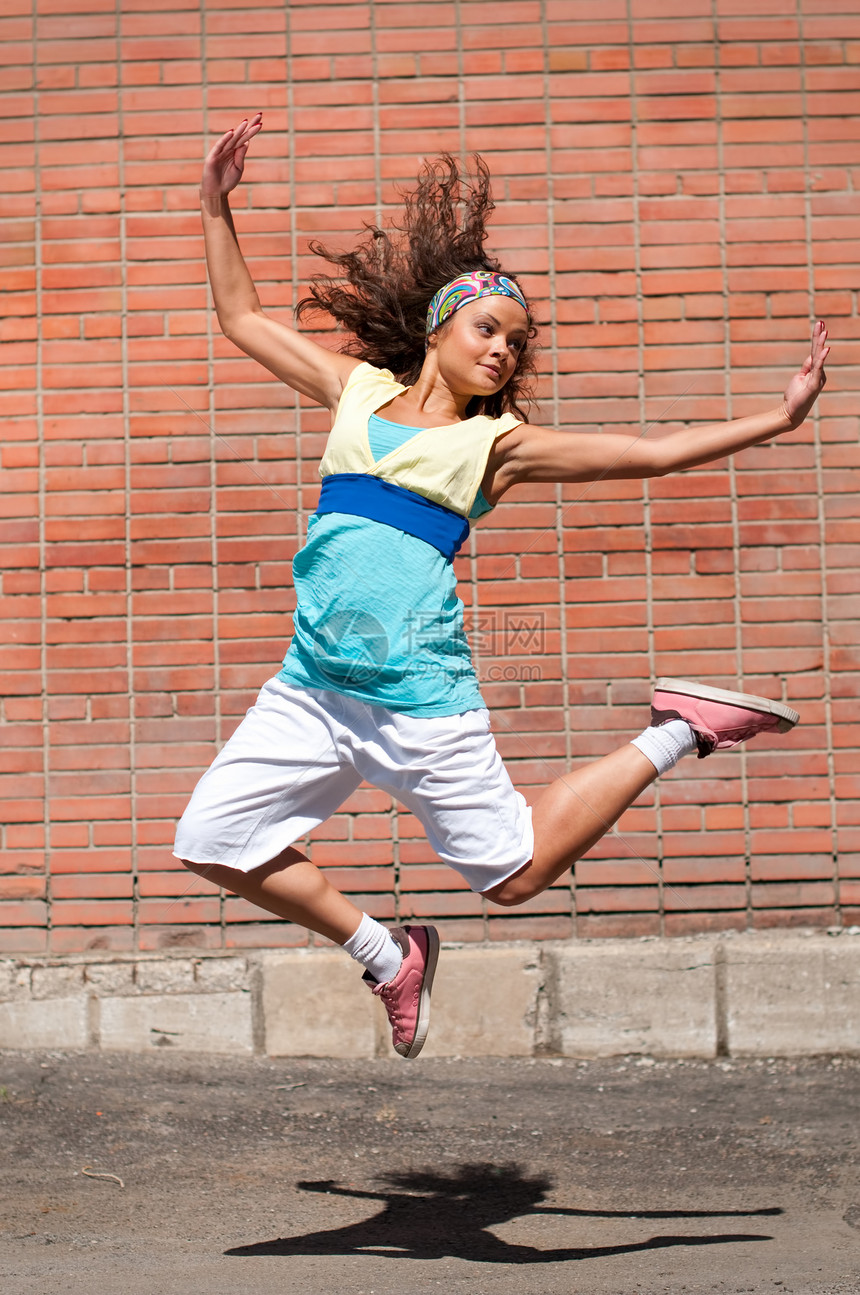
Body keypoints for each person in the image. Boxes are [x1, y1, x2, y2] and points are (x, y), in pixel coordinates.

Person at [175, 112, 829, 1059]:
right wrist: (214, 204)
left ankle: (679, 726)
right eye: (488, 329)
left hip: (418, 698)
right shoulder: (355, 393)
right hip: (313, 689)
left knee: (515, 872)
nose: (502, 352)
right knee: (210, 839)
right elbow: (241, 317)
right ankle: (387, 953)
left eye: (516, 344)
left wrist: (774, 420)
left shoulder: (497, 447)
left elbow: (645, 454)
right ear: (441, 328)